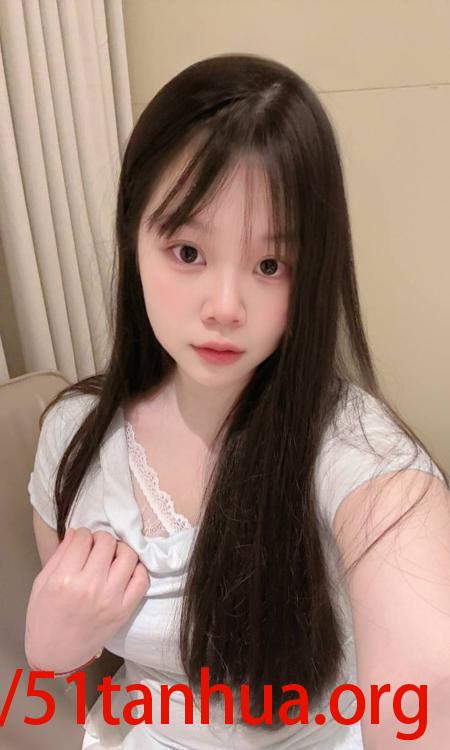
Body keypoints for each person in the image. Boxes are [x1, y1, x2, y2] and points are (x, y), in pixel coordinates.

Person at [25, 53, 450, 749]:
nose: (225, 307)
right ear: (134, 237)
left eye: (270, 265)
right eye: (188, 252)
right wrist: (49, 648)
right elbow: (66, 667)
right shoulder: (75, 438)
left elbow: (427, 684)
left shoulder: (355, 449)